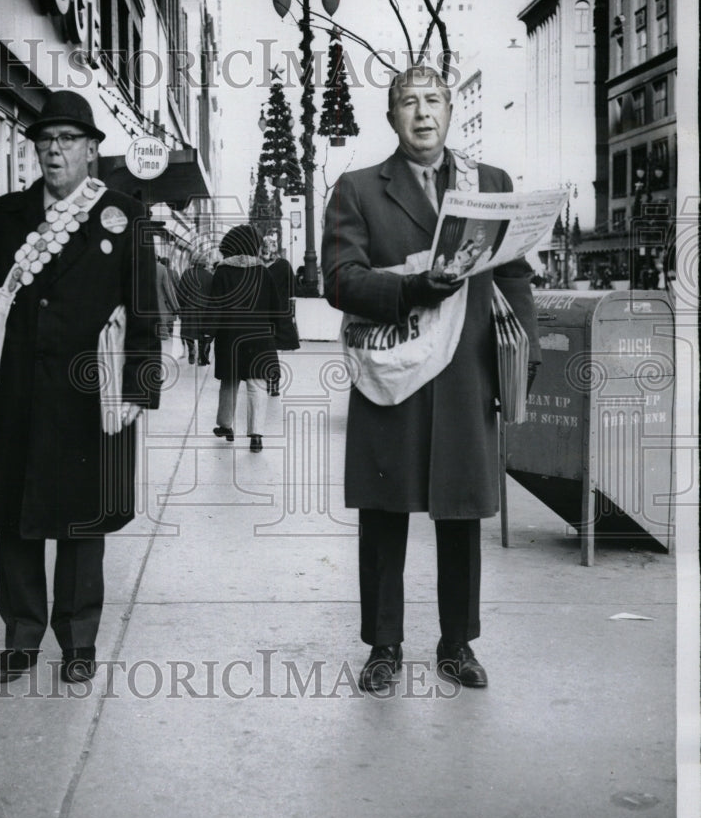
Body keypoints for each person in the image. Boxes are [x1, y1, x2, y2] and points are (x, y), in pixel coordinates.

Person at [0, 90, 161, 686]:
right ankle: (21, 639)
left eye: (68, 139)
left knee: (82, 523)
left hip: (89, 391)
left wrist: (136, 389)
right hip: (17, 392)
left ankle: (78, 642)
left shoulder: (123, 214)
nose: (54, 149)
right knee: (16, 522)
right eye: (45, 139)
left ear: (92, 150)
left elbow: (146, 311)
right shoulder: (5, 217)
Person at [321, 65, 541, 692]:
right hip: (392, 375)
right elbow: (337, 280)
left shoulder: (489, 183)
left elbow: (514, 274)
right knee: (384, 515)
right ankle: (383, 647)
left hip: (465, 375)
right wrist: (413, 287)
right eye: (409, 103)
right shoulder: (359, 189)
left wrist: (518, 354)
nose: (423, 113)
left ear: (450, 111)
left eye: (434, 101)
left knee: (461, 514)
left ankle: (457, 643)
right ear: (391, 118)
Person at [207, 223, 280, 454]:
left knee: (230, 380)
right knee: (257, 384)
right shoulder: (262, 272)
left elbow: (215, 306)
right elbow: (275, 307)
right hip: (259, 337)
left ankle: (226, 426)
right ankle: (256, 435)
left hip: (230, 336)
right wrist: (280, 333)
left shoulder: (222, 271)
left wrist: (207, 333)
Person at [260, 233, 300, 395]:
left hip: (262, 313)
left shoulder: (257, 266)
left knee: (266, 348)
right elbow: (292, 291)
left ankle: (271, 379)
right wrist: (292, 314)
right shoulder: (284, 265)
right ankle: (273, 380)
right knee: (271, 348)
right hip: (278, 313)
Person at [176, 247, 215, 366]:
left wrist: (181, 307)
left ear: (193, 262)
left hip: (190, 307)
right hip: (205, 309)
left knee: (188, 331)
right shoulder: (210, 276)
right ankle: (202, 356)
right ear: (204, 263)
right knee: (203, 332)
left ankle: (191, 349)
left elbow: (180, 293)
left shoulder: (187, 274)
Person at [155, 255, 180, 342]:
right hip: (162, 304)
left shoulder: (139, 268)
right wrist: (175, 307)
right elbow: (169, 289)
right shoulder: (163, 269)